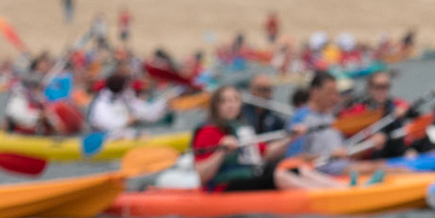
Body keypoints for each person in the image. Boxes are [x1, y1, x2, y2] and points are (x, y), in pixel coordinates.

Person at [189, 84, 337, 192]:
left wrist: (291, 137)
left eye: (234, 100)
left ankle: (341, 190)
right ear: (216, 106)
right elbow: (202, 175)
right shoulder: (208, 131)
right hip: (225, 186)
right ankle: (323, 196)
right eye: (224, 101)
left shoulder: (241, 129)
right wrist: (221, 151)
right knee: (278, 175)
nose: (230, 105)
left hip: (251, 175)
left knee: (296, 168)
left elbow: (266, 153)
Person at [87, 72, 167, 137]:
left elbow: (145, 110)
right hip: (103, 137)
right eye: (126, 87)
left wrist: (164, 102)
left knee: (145, 134)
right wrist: (127, 120)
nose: (128, 90)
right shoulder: (101, 102)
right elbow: (105, 124)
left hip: (122, 134)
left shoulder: (124, 98)